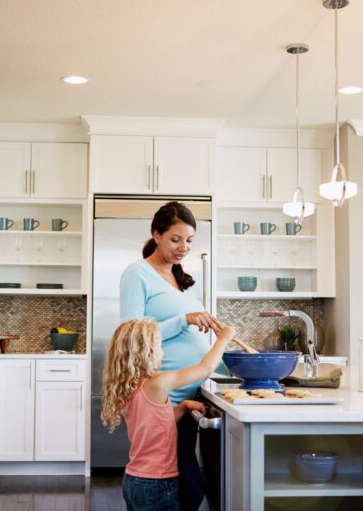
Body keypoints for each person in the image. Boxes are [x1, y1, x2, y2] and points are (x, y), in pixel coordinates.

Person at [119, 201, 223, 510]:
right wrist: (184, 320)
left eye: (189, 240)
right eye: (175, 239)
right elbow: (131, 337)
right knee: (183, 489)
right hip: (165, 400)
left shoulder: (180, 278)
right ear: (156, 235)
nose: (183, 247)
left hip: (188, 396)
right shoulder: (138, 273)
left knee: (188, 486)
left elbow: (190, 333)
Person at [101, 319, 235, 511]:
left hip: (134, 480)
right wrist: (223, 338)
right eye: (158, 344)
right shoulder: (157, 383)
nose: (161, 349)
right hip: (157, 484)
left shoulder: (130, 387)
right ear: (147, 352)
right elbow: (205, 368)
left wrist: (181, 407)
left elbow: (155, 426)